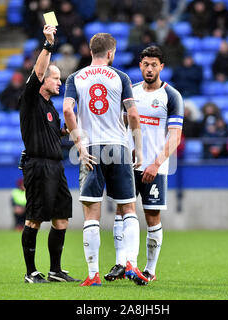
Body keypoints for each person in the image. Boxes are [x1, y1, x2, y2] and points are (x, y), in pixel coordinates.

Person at [63, 33, 147, 286]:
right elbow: (132, 114)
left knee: (92, 213)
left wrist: (79, 143)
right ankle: (131, 262)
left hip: (91, 149)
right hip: (119, 147)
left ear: (91, 51)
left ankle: (93, 275)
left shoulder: (74, 78)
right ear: (111, 53)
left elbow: (67, 109)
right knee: (128, 208)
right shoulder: (120, 77)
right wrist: (138, 148)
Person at [105, 46, 184, 284]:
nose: (149, 69)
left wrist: (156, 163)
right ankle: (121, 263)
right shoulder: (131, 93)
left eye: (154, 65)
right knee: (121, 213)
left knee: (152, 217)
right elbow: (119, 125)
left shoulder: (172, 96)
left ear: (161, 67)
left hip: (155, 168)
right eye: (145, 64)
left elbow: (175, 136)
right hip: (127, 166)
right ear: (140, 66)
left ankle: (149, 269)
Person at [18, 24, 79, 284]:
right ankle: (31, 272)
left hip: (56, 167)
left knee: (61, 216)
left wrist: (67, 132)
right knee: (34, 219)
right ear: (42, 80)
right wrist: (48, 44)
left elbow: (52, 134)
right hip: (39, 167)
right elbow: (40, 69)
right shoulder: (31, 99)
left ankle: (55, 270)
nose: (60, 81)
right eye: (55, 78)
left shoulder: (51, 108)